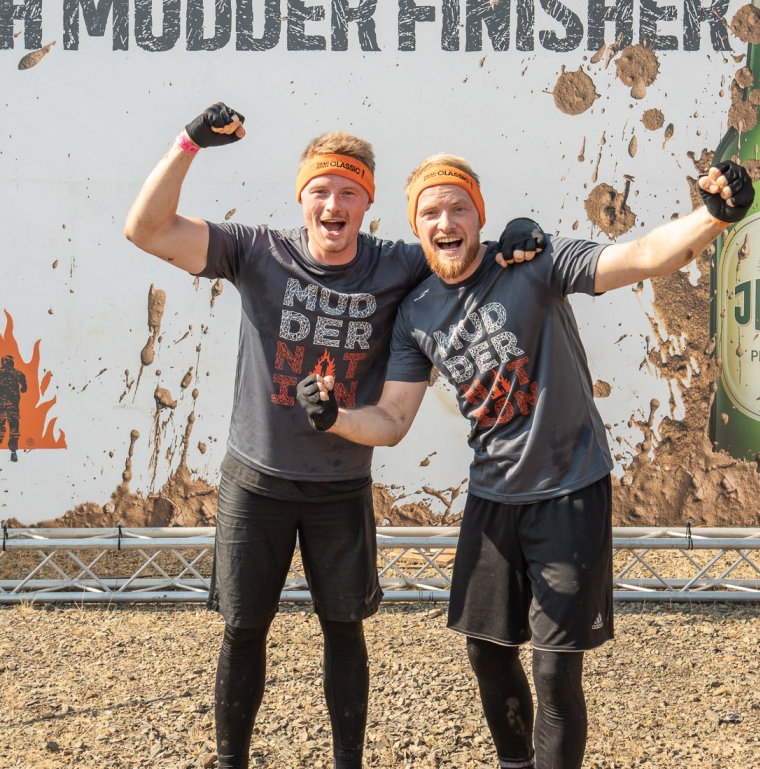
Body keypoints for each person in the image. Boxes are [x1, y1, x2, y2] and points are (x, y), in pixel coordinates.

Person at [294, 154, 754, 769]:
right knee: (486, 653)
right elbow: (394, 420)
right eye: (431, 212)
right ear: (416, 226)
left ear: (479, 217)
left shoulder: (534, 261)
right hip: (493, 498)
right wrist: (335, 417)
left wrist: (715, 216)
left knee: (555, 672)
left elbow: (643, 256)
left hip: (569, 490)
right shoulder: (416, 312)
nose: (446, 221)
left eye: (459, 208)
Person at [123, 104, 547, 769]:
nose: (333, 204)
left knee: (344, 629)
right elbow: (145, 229)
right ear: (302, 198)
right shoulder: (257, 252)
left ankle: (348, 760)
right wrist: (188, 144)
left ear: (367, 202)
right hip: (256, 482)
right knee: (243, 630)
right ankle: (231, 762)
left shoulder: (398, 264)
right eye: (321, 189)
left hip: (340, 487)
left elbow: (460, 252)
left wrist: (514, 241)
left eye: (349, 191)